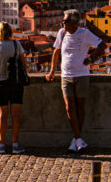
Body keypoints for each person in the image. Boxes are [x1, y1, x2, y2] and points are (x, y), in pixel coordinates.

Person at [45, 9, 107, 152]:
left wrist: (91, 59)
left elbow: (102, 46)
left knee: (80, 107)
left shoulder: (84, 33)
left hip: (82, 75)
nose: (62, 23)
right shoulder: (62, 33)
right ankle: (78, 138)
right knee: (69, 107)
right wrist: (52, 71)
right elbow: (56, 51)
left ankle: (76, 139)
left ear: (74, 22)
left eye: (65, 21)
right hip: (66, 75)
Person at [0, 22, 27, 154]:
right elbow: (23, 62)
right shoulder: (16, 44)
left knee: (2, 115)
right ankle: (15, 145)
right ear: (10, 31)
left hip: (1, 82)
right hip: (16, 83)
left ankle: (1, 145)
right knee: (16, 115)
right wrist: (22, 76)